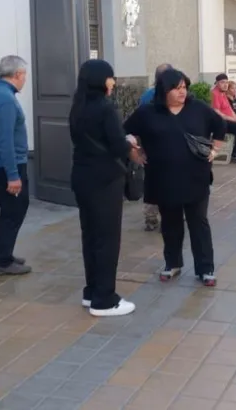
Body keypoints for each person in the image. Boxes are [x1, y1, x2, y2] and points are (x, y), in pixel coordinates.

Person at [124, 69, 226, 286]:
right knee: (170, 223)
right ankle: (173, 263)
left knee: (198, 222)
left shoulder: (197, 108)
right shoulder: (147, 112)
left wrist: (215, 150)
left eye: (184, 87)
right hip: (163, 178)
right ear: (164, 90)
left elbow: (220, 126)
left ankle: (205, 268)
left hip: (195, 176)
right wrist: (134, 151)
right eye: (177, 88)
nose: (182, 92)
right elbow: (125, 131)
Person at [68, 59, 141, 317]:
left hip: (82, 177)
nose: (114, 81)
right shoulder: (105, 108)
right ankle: (104, 299)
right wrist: (128, 140)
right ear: (101, 80)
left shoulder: (77, 107)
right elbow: (117, 146)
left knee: (90, 236)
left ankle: (92, 292)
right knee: (108, 239)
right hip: (104, 180)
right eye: (111, 77)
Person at [0, 56, 32, 276]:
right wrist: (13, 175)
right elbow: (5, 141)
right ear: (17, 74)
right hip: (8, 167)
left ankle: (4, 254)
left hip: (1, 165)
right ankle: (2, 260)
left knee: (11, 210)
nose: (25, 81)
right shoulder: (5, 100)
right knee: (14, 211)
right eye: (24, 76)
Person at [139, 63, 172, 232]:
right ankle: (169, 216)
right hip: (169, 148)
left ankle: (150, 218)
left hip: (148, 146)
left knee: (151, 181)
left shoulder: (145, 96)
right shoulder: (170, 96)